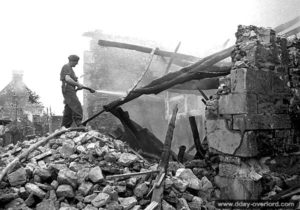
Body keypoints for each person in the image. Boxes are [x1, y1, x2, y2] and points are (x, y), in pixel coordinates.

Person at [60, 55, 85, 128]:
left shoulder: (71, 69)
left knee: (69, 108)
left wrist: (78, 85)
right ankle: (79, 122)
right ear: (72, 61)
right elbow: (67, 79)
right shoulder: (66, 67)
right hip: (67, 88)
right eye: (76, 62)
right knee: (76, 104)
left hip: (70, 89)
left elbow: (73, 80)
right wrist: (77, 84)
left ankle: (64, 126)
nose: (77, 64)